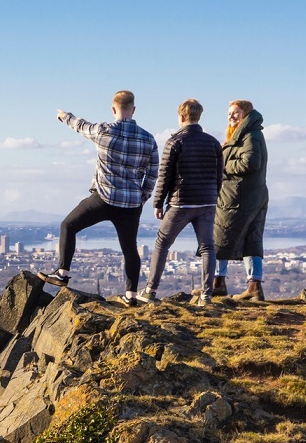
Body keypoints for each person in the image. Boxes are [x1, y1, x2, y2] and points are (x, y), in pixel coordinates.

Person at [40, 90, 159, 305]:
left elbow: (80, 125)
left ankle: (62, 273)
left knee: (68, 225)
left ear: (113, 109)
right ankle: (131, 295)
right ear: (133, 110)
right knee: (130, 248)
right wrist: (142, 197)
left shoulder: (103, 131)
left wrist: (64, 116)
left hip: (103, 198)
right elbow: (153, 173)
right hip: (131, 204)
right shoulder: (148, 139)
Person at [141, 99, 222, 305]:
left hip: (181, 202)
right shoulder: (213, 142)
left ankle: (150, 290)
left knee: (162, 244)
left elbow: (165, 175)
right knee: (207, 247)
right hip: (207, 201)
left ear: (182, 117)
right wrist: (214, 196)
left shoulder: (175, 142)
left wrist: (158, 203)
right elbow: (219, 175)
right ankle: (206, 295)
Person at [213, 100, 269, 301]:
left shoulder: (250, 135)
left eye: (235, 112)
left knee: (220, 236)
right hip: (250, 194)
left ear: (245, 114)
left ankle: (217, 283)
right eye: (229, 113)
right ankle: (254, 287)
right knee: (251, 239)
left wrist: (223, 163)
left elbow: (251, 162)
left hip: (237, 196)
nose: (230, 116)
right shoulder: (246, 134)